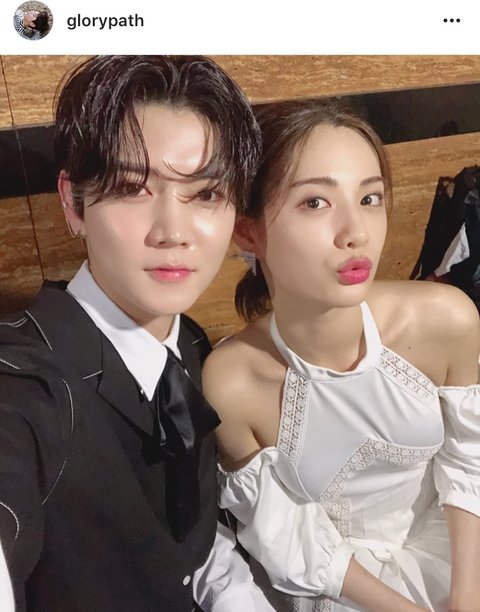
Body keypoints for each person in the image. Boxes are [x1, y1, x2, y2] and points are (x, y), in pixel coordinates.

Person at [0, 55, 276, 612]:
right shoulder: (29, 383)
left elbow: (195, 547)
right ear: (73, 202)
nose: (172, 232)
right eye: (131, 187)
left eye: (205, 194)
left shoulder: (189, 343)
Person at [202, 100, 480, 611]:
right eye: (315, 202)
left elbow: (469, 460)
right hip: (345, 587)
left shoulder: (447, 318)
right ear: (248, 231)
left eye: (370, 198)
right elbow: (290, 537)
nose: (357, 232)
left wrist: (466, 597)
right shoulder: (231, 382)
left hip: (463, 549)